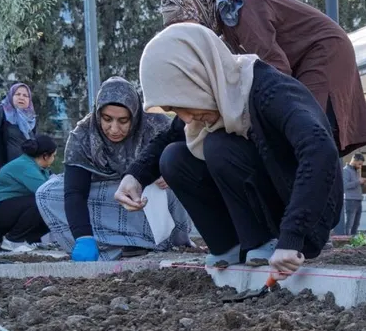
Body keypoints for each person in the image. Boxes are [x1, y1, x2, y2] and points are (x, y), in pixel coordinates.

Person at [116, 22, 341, 278]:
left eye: (182, 105)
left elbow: (320, 150)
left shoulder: (270, 91)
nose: (186, 118)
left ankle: (265, 241)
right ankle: (230, 246)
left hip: (306, 216)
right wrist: (134, 177)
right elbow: (167, 137)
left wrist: (292, 236)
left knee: (218, 145)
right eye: (175, 110)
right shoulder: (212, 94)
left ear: (198, 78)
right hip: (274, 209)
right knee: (173, 157)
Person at [158, 0, 366, 157]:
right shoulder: (225, 21)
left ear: (197, 8)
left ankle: (319, 202)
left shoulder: (241, 7)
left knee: (306, 126)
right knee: (287, 135)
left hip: (323, 51)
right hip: (296, 60)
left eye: (190, 26)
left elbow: (274, 70)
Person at [35, 77, 194, 262]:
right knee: (46, 193)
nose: (114, 129)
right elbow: (75, 193)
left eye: (123, 120)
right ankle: (112, 248)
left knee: (174, 180)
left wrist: (169, 170)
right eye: (107, 119)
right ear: (98, 114)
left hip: (146, 197)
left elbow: (186, 153)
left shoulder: (156, 126)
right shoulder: (82, 136)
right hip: (103, 193)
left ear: (134, 116)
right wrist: (83, 237)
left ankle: (168, 241)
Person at [0, 83, 37, 243]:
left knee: (19, 204)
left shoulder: (30, 118)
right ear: (11, 96)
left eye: (25, 95)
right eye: (18, 94)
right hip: (0, 169)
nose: (21, 98)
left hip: (23, 173)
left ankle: (18, 239)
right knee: (0, 204)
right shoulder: (1, 111)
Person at [0, 136, 55, 252]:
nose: (54, 159)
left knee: (50, 207)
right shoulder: (25, 166)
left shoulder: (36, 166)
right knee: (42, 203)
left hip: (8, 208)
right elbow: (46, 192)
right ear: (45, 156)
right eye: (53, 156)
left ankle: (27, 241)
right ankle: (13, 241)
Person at [336, 153, 366, 235]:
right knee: (350, 223)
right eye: (359, 164)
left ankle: (353, 240)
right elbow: (345, 186)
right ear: (354, 160)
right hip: (350, 200)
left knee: (356, 223)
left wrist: (362, 183)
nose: (360, 166)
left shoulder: (356, 171)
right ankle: (347, 240)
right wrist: (358, 181)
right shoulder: (345, 171)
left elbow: (355, 185)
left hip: (358, 199)